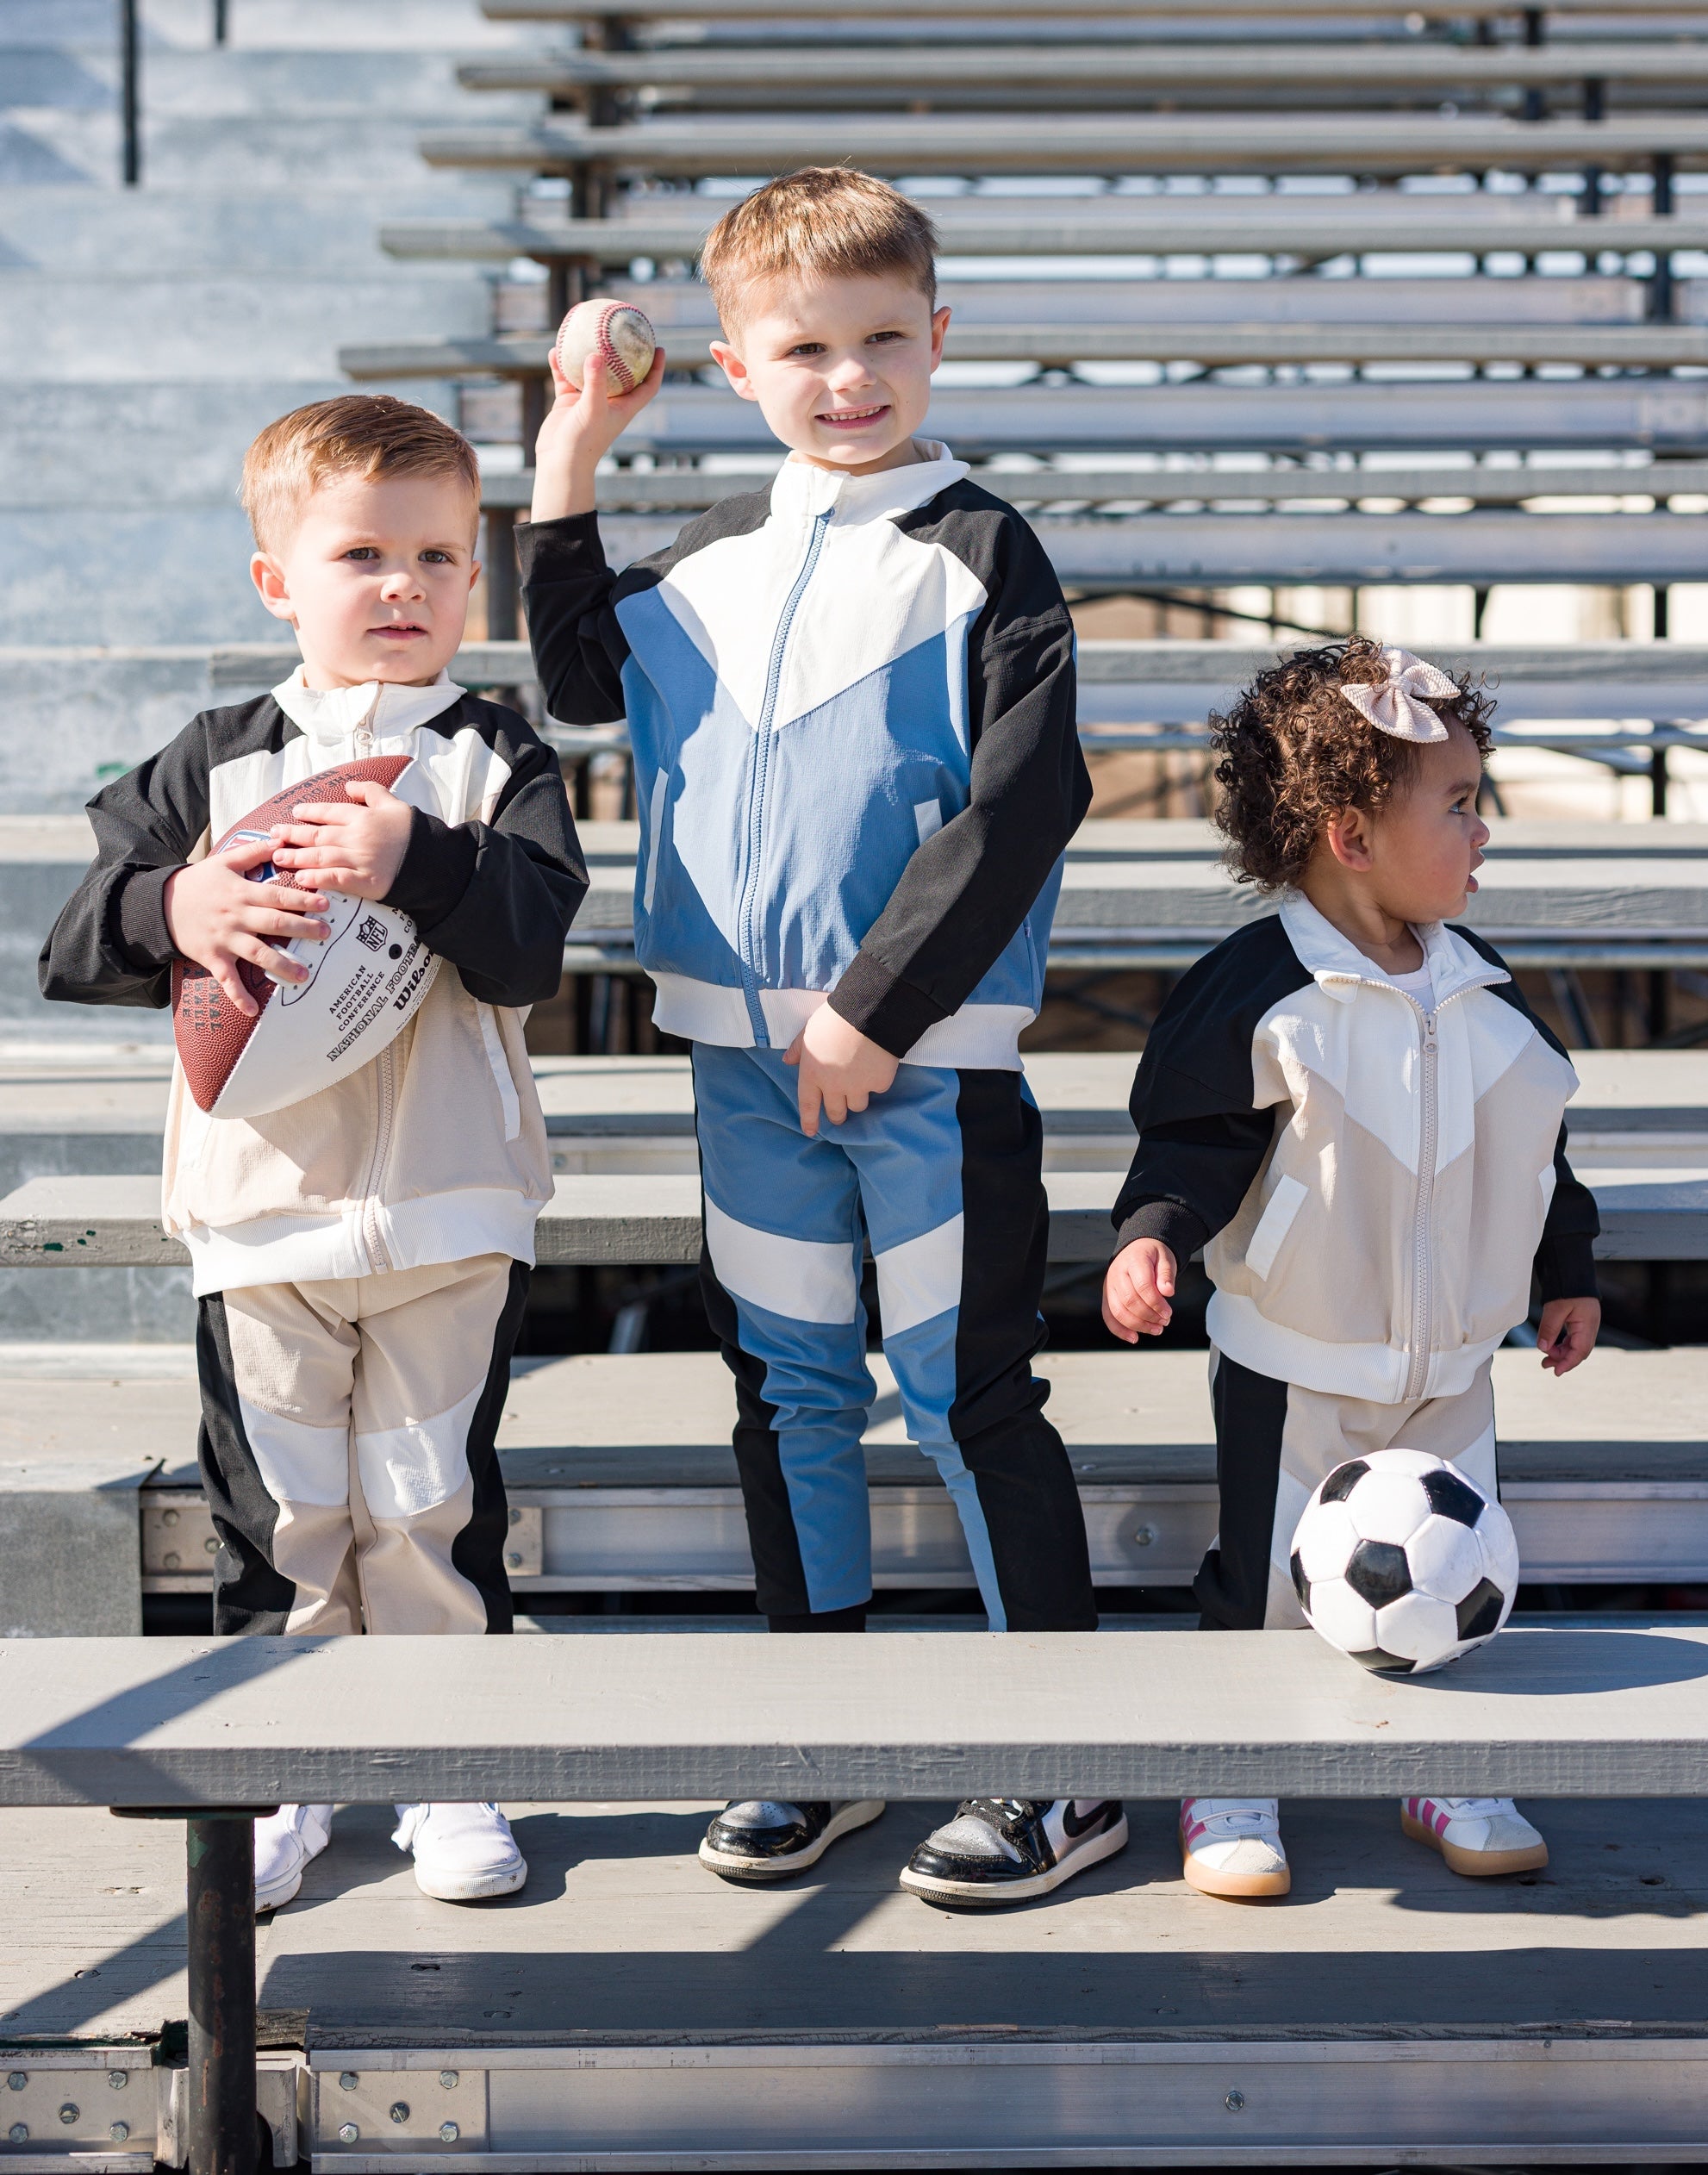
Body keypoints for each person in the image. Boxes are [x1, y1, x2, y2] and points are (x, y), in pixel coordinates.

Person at [521, 167, 1123, 1908]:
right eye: (804, 349)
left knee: (959, 1393)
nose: (846, 378)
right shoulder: (706, 559)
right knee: (788, 1393)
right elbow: (571, 673)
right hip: (738, 1066)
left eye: (881, 342)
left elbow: (1027, 798)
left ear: (938, 340)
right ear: (734, 365)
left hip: (924, 1064)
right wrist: (575, 443)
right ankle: (824, 1741)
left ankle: (1060, 1773)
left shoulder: (984, 547)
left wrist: (875, 1005)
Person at [40, 395, 586, 1913]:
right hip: (261, 1222)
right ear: (278, 577)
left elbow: (533, 950)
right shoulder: (213, 764)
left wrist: (421, 861)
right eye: (363, 554)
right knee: (277, 1523)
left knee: (423, 1514)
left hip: (448, 1212)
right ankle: (279, 1782)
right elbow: (74, 939)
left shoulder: (492, 759)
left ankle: (443, 1772)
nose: (404, 586)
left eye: (437, 556)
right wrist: (181, 913)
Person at [1102, 639, 1602, 1899]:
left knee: (1442, 1570)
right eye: (1458, 804)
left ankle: (1441, 1768)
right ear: (1350, 834)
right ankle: (1230, 1775)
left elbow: (1539, 1152)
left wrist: (1565, 1270)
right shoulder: (1253, 998)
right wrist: (1150, 1235)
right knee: (1266, 1582)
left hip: (1452, 1374)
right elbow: (1190, 1146)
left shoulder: (1490, 999)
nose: (1482, 833)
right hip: (1297, 1367)